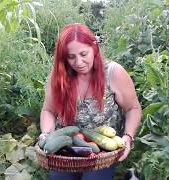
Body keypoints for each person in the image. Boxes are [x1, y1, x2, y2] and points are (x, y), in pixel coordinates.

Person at [39, 23, 142, 180]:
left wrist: (128, 136)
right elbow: (48, 111)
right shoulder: (60, 76)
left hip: (102, 149)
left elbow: (133, 108)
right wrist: (47, 134)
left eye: (83, 54)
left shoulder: (113, 73)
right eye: (71, 57)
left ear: (94, 48)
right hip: (67, 145)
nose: (78, 62)